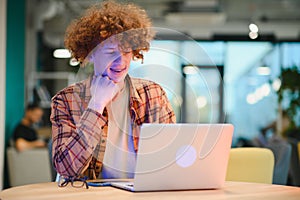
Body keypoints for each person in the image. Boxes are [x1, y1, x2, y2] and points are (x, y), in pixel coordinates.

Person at [50, 0, 176, 180]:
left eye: (126, 52)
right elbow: (67, 169)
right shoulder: (65, 100)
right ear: (90, 54)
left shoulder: (153, 94)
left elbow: (170, 158)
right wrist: (96, 105)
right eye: (111, 53)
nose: (121, 62)